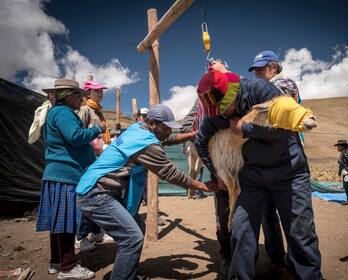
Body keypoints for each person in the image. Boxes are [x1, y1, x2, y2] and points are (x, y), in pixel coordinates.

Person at [195, 68, 322, 280]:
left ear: (233, 93)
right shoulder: (216, 114)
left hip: (288, 171)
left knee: (300, 232)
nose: (222, 114)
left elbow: (287, 128)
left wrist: (245, 128)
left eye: (224, 108)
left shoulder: (261, 89)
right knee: (241, 229)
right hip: (252, 177)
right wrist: (218, 173)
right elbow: (201, 142)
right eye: (217, 111)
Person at [76, 104, 215, 280]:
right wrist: (203, 186)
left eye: (169, 128)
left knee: (137, 229)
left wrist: (188, 136)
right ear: (151, 122)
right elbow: (171, 174)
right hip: (96, 194)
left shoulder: (137, 129)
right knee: (132, 238)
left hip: (100, 189)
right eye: (165, 127)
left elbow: (166, 139)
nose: (167, 132)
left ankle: (127, 274)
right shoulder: (147, 143)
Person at [36, 79, 103, 280]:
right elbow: (75, 136)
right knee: (66, 223)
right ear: (68, 95)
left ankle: (57, 262)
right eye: (78, 95)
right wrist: (96, 130)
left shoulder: (57, 112)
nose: (81, 99)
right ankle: (69, 267)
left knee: (59, 222)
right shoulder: (63, 112)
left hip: (58, 174)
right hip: (66, 175)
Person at [76, 80, 113, 252]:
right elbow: (78, 135)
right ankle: (80, 237)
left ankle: (96, 232)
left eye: (101, 90)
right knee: (89, 195)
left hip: (97, 160)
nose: (100, 93)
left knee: (97, 195)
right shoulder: (84, 111)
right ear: (88, 93)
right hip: (87, 160)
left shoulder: (98, 112)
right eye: (97, 90)